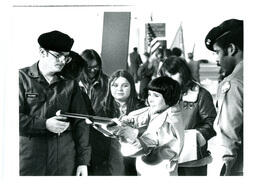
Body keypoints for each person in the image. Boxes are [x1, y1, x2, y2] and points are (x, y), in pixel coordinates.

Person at [19, 30, 91, 176]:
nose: (63, 61)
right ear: (42, 52)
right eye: (58, 56)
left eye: (66, 57)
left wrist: (83, 162)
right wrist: (44, 124)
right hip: (31, 160)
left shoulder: (70, 83)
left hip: (64, 161)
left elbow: (81, 123)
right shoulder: (21, 79)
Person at [116, 76, 184, 176]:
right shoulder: (161, 110)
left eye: (156, 96)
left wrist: (132, 135)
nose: (150, 99)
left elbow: (146, 145)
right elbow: (140, 114)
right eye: (149, 95)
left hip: (160, 173)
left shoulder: (170, 120)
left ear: (168, 97)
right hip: (148, 170)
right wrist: (126, 121)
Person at [160, 56, 217, 176]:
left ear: (183, 73)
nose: (170, 79)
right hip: (166, 158)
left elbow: (212, 121)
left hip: (192, 159)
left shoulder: (201, 94)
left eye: (174, 73)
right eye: (166, 75)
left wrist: (198, 137)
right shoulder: (160, 95)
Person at [205, 19, 243, 176]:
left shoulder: (233, 83)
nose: (216, 59)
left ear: (231, 49)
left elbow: (227, 136)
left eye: (217, 52)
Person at [96, 70, 145, 175]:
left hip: (135, 156)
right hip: (109, 157)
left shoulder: (142, 108)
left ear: (132, 87)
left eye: (125, 85)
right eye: (115, 85)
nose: (119, 89)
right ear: (109, 87)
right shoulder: (101, 108)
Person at [78, 49, 109, 115]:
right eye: (89, 67)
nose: (93, 70)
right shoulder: (74, 82)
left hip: (100, 122)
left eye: (96, 66)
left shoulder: (107, 82)